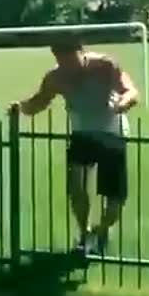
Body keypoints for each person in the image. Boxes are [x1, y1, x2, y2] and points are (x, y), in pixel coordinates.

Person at [10, 37, 141, 254]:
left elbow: (131, 91)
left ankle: (102, 230)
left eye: (71, 61)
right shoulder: (56, 77)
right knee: (76, 186)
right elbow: (40, 102)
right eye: (62, 62)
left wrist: (123, 103)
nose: (68, 67)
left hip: (112, 133)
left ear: (82, 52)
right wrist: (20, 108)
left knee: (115, 199)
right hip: (81, 134)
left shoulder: (106, 65)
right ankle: (85, 233)